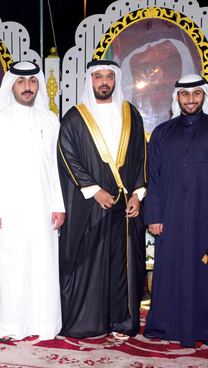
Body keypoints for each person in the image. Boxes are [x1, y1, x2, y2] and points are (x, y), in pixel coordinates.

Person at [144, 75, 208, 348]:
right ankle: (163, 325)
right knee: (167, 271)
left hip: (207, 216)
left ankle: (206, 329)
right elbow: (154, 177)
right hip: (170, 215)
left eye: (196, 93)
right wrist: (154, 216)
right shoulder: (162, 132)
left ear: (204, 96)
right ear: (177, 97)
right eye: (185, 94)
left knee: (206, 273)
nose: (190, 99)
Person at [57, 59, 147, 339]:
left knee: (123, 264)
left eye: (109, 76)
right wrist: (94, 190)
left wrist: (138, 194)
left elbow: (141, 157)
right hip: (90, 206)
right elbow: (67, 156)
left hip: (126, 206)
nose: (104, 82)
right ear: (90, 81)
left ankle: (122, 322)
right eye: (98, 77)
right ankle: (89, 322)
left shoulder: (131, 114)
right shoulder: (74, 117)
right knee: (90, 263)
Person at [0, 61, 65, 342]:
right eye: (21, 82)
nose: (27, 87)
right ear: (11, 86)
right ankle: (10, 324)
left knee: (43, 264)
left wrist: (59, 205)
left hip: (44, 207)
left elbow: (56, 167)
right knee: (11, 266)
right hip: (9, 208)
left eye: (32, 81)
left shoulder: (50, 120)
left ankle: (44, 323)